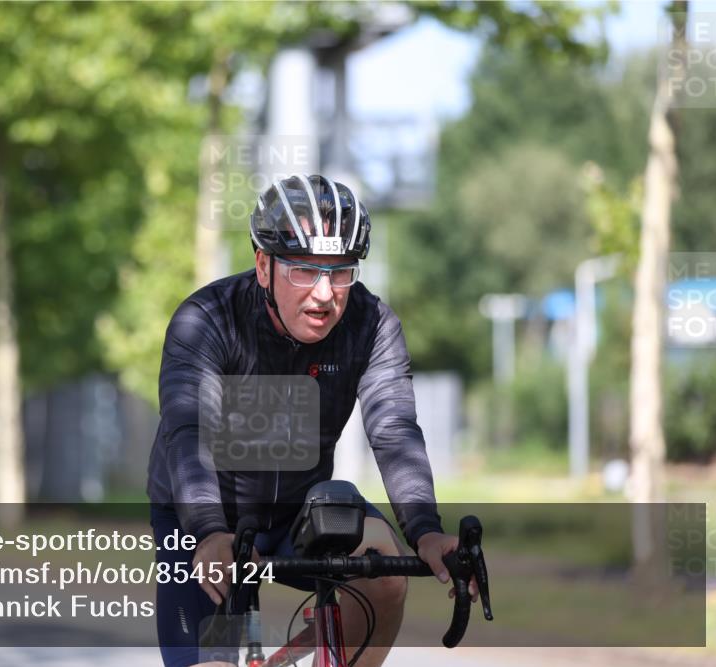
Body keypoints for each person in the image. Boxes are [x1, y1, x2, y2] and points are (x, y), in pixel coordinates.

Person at [147, 174, 476, 667]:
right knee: (214, 660)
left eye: (340, 271)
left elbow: (394, 430)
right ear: (263, 265)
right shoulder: (208, 318)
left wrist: (426, 531)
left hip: (298, 505)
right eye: (303, 270)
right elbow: (187, 430)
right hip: (203, 513)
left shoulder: (372, 324)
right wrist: (210, 531)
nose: (324, 293)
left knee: (385, 572)